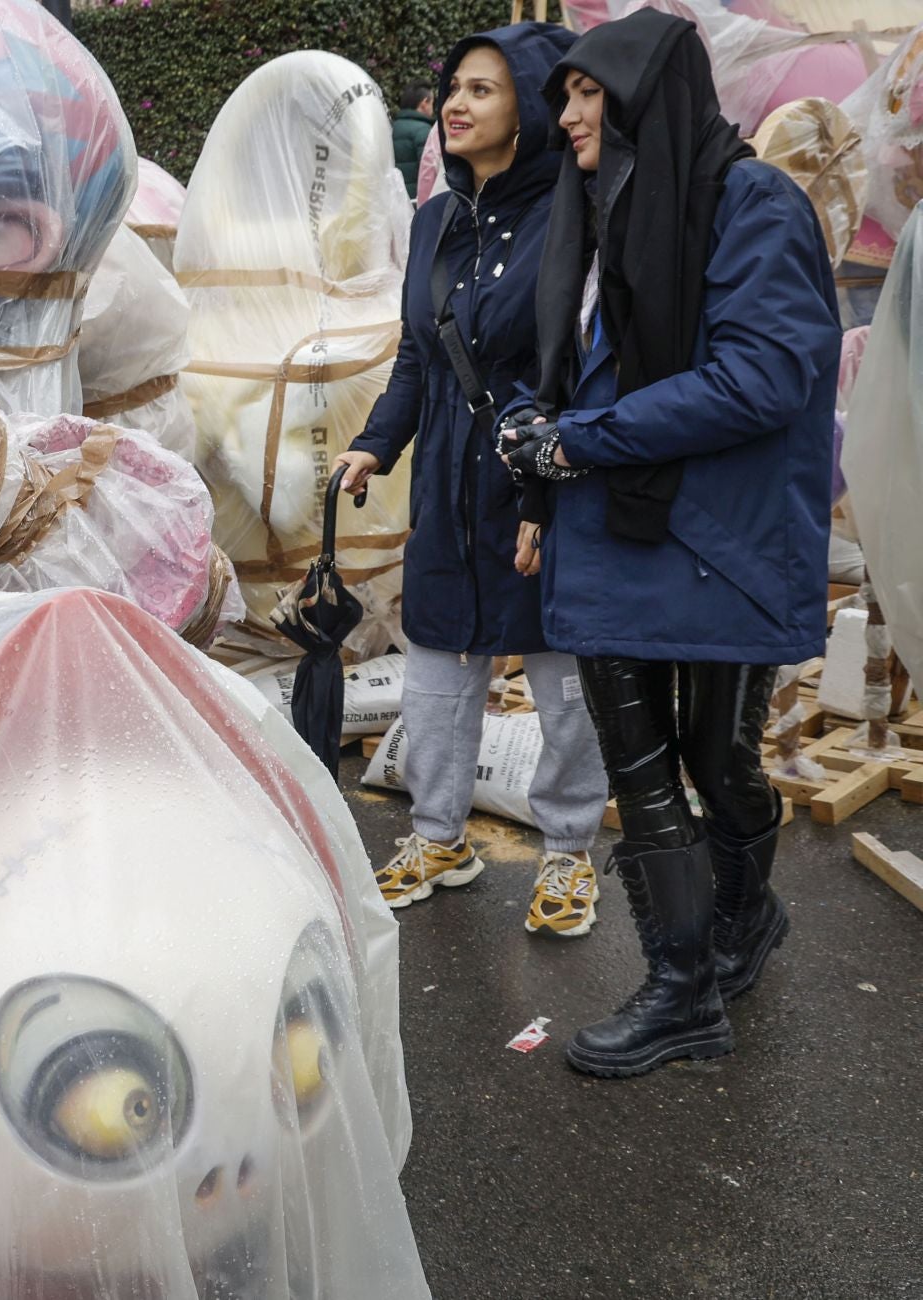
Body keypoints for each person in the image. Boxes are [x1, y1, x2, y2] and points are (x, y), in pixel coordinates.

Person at [500, 8, 840, 1077]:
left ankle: (743, 916)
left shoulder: (751, 203)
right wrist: (533, 431)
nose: (569, 112)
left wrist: (576, 442)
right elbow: (586, 369)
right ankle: (684, 985)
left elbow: (765, 375)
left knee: (715, 760)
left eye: (590, 91)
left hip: (717, 537)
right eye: (564, 94)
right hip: (621, 530)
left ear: (652, 93)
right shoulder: (607, 210)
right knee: (642, 767)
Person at [335, 23, 608, 938]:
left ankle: (569, 851)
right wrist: (376, 442)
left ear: (527, 107)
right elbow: (419, 354)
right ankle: (437, 834)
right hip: (448, 478)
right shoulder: (435, 221)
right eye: (454, 86)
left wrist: (540, 473)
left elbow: (573, 361)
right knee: (438, 662)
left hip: (541, 479)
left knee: (560, 674)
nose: (455, 103)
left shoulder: (576, 216)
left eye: (483, 90)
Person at [392, 79, 434, 199]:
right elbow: (429, 173)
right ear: (424, 103)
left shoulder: (391, 128)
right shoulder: (423, 131)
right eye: (432, 103)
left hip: (394, 200)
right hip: (416, 201)